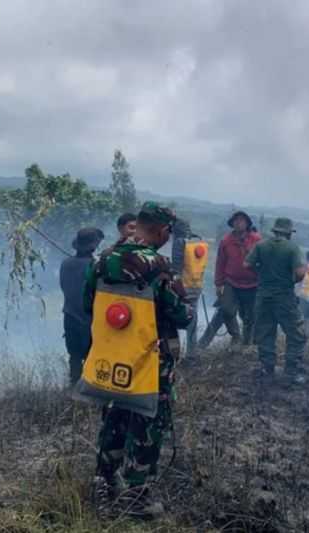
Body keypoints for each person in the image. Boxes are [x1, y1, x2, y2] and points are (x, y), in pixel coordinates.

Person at [83, 202, 191, 518]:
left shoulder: (103, 260)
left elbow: (88, 304)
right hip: (150, 359)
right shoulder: (158, 267)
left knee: (115, 413)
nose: (168, 237)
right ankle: (136, 495)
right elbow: (181, 317)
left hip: (113, 357)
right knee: (147, 422)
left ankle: (104, 481)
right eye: (168, 232)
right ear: (161, 230)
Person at [244, 217, 308, 384]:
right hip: (284, 297)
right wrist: (290, 280)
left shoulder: (260, 245)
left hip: (263, 296)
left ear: (275, 230)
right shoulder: (293, 248)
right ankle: (291, 373)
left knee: (265, 333)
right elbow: (301, 273)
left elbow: (246, 265)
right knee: (296, 334)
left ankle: (267, 370)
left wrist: (261, 274)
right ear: (289, 233)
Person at [198, 211, 261, 349]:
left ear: (247, 223)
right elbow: (220, 263)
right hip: (231, 282)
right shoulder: (226, 241)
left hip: (252, 284)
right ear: (232, 224)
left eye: (241, 220)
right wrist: (218, 283)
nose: (238, 223)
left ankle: (246, 344)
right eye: (236, 220)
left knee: (250, 317)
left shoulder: (256, 240)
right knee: (226, 309)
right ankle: (236, 336)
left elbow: (264, 261)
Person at [59, 227, 104, 384]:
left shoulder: (66, 264)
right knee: (92, 355)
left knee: (75, 356)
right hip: (90, 318)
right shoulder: (96, 267)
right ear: (93, 246)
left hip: (70, 316)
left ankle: (74, 386)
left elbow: (65, 287)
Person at [171, 218, 208, 356]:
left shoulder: (179, 242)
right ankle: (192, 354)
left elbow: (176, 268)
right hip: (196, 286)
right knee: (192, 318)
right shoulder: (197, 241)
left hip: (182, 288)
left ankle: (174, 353)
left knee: (172, 320)